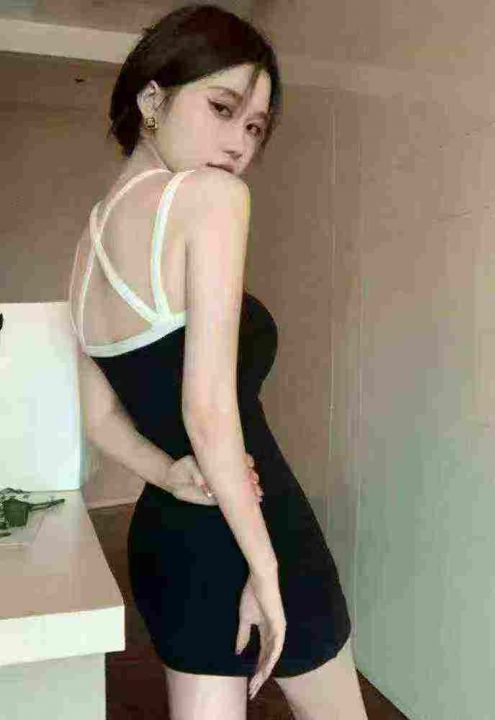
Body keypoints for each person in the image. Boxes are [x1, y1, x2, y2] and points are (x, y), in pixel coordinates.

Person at [68, 4, 369, 718]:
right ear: (152, 99)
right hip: (261, 525)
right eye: (223, 108)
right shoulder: (212, 199)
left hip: (170, 535)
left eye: (256, 127)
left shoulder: (88, 244)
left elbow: (98, 416)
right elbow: (208, 412)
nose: (239, 145)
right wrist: (265, 567)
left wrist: (167, 473)